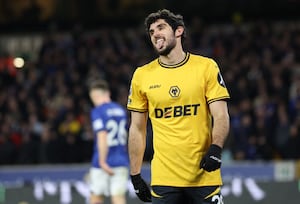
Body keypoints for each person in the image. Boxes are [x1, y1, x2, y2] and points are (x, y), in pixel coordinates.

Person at [127, 9, 230, 204]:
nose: (155, 33)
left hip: (203, 175)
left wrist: (216, 148)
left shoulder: (206, 67)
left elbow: (221, 115)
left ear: (178, 31)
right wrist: (135, 174)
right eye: (151, 31)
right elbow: (137, 128)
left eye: (161, 27)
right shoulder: (142, 75)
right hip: (164, 179)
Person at [88, 79, 129, 204]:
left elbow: (102, 135)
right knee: (118, 198)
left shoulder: (98, 111)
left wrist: (102, 161)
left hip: (103, 160)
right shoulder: (121, 110)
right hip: (121, 160)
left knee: (96, 197)